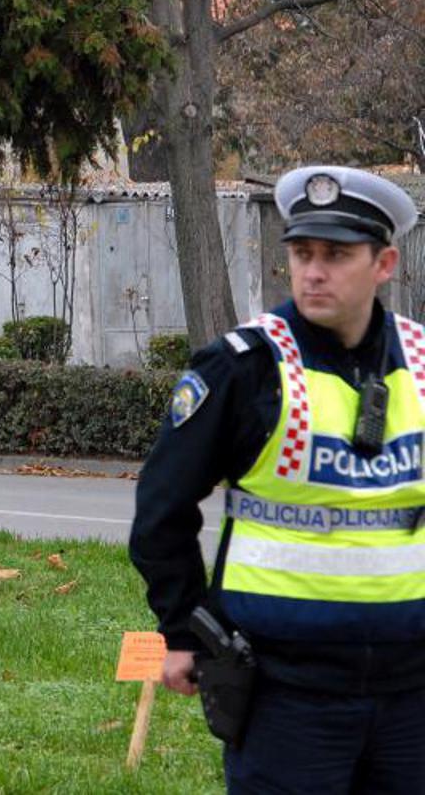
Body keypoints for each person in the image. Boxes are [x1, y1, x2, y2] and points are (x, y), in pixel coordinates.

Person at [130, 165, 425, 793]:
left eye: (337, 255)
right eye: (302, 252)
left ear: (385, 263)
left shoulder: (421, 367)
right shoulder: (245, 369)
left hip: (413, 695)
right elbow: (162, 508)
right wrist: (181, 631)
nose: (313, 271)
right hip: (287, 697)